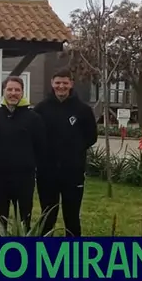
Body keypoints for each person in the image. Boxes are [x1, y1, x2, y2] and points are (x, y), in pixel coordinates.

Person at [33, 69, 98, 237]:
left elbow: (91, 137)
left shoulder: (83, 110)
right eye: (58, 83)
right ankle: (45, 252)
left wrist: (74, 150)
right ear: (52, 84)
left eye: (65, 83)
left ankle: (73, 255)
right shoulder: (40, 109)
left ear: (71, 84)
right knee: (48, 214)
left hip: (73, 172)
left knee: (72, 215)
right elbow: (35, 138)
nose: (61, 86)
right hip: (47, 172)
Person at [0, 76, 46, 231]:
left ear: (22, 92)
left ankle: (23, 250)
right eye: (9, 89)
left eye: (17, 90)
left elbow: (41, 146)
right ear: (3, 91)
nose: (13, 93)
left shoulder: (34, 118)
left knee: (24, 218)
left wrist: (29, 164)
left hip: (24, 178)